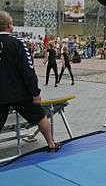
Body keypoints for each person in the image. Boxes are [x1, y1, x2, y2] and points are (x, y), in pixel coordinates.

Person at [0, 11, 61, 152]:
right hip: (19, 93)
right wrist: (35, 93)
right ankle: (51, 144)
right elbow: (28, 70)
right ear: (9, 25)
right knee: (41, 117)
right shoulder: (18, 43)